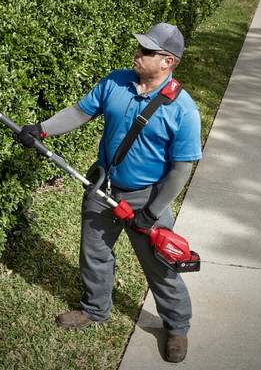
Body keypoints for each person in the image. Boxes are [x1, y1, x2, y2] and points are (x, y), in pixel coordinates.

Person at [15, 22, 201, 363]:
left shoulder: (183, 109)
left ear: (167, 61)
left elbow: (181, 170)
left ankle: (177, 326)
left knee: (160, 266)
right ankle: (95, 309)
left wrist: (151, 212)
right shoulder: (116, 81)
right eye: (140, 47)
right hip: (103, 187)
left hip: (148, 198)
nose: (138, 53)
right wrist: (41, 129)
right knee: (94, 253)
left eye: (146, 51)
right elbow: (79, 112)